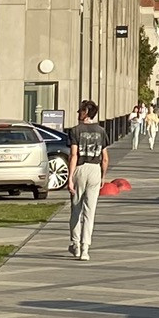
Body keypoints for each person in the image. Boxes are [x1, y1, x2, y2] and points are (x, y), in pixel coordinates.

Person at [68, 101, 109, 260]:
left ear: (85, 112)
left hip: (80, 168)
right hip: (95, 169)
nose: (78, 113)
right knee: (89, 211)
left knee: (76, 208)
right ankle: (86, 248)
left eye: (80, 111)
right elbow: (105, 158)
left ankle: (76, 244)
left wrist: (70, 178)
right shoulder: (101, 131)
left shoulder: (75, 131)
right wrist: (103, 176)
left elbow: (74, 155)